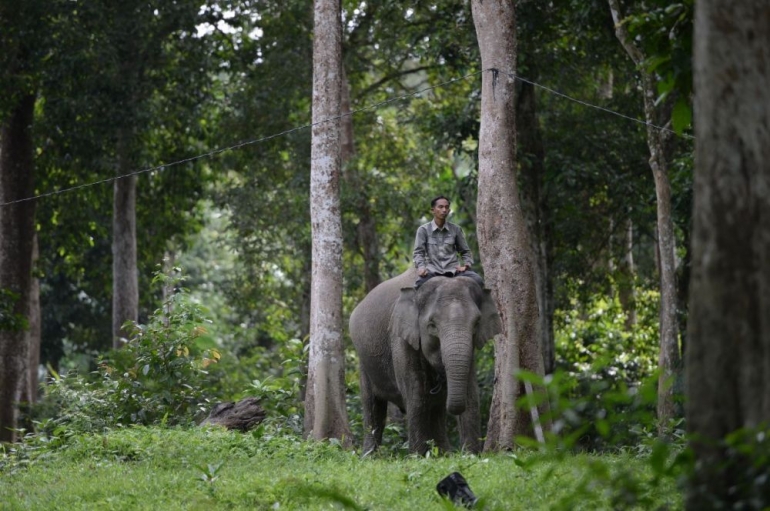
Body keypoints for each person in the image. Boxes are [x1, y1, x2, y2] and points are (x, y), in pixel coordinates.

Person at [413, 195, 484, 289]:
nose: (444, 210)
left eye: (446, 207)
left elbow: (465, 251)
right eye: (440, 207)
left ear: (449, 210)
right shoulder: (423, 230)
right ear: (433, 210)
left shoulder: (456, 229)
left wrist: (466, 265)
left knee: (478, 281)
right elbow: (418, 252)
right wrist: (421, 267)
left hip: (454, 271)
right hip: (433, 271)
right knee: (419, 285)